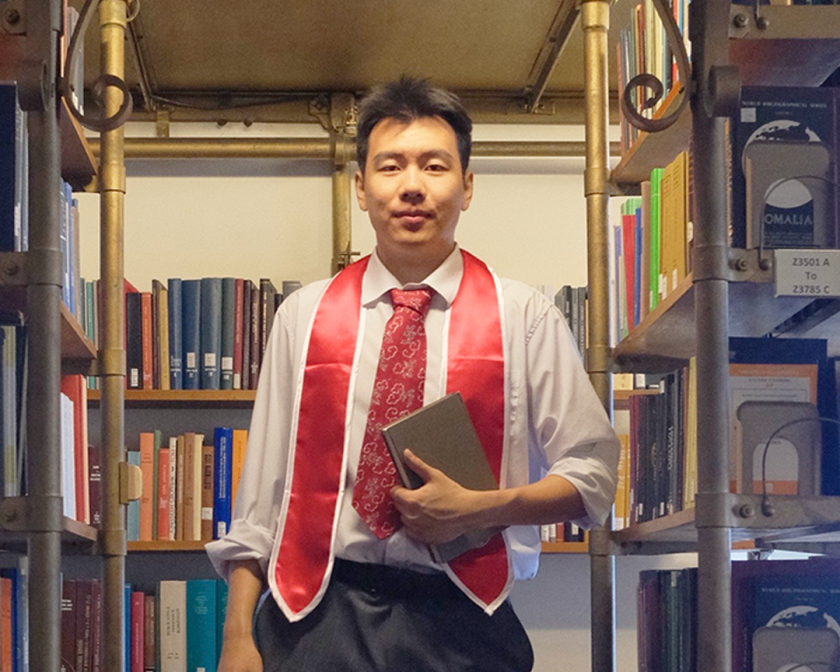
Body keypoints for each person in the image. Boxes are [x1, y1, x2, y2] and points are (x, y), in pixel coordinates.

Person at [207, 76, 620, 672]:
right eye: (391, 166)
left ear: (468, 186)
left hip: (462, 618)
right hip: (316, 617)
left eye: (434, 166)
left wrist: (486, 508)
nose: (412, 187)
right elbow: (263, 496)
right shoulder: (305, 316)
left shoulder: (523, 316)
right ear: (360, 187)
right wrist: (237, 635)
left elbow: (593, 475)